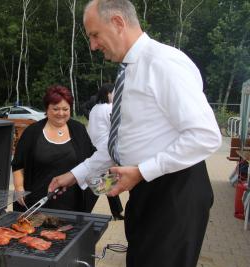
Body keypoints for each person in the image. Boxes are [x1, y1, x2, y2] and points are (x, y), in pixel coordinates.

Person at [49, 1, 222, 267]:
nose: (93, 45)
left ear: (118, 22)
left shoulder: (163, 63)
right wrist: (75, 175)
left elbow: (205, 135)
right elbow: (118, 144)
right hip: (147, 190)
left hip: (175, 194)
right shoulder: (128, 72)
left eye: (95, 35)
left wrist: (142, 171)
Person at [12, 85, 97, 213]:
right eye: (55, 109)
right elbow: (18, 164)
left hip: (74, 204)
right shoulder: (32, 132)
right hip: (38, 203)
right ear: (47, 109)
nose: (61, 113)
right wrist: (19, 188)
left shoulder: (78, 129)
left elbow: (92, 159)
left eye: (65, 109)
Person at [88, 83, 124, 220]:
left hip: (95, 147)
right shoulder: (109, 108)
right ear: (107, 93)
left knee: (107, 181)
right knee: (98, 183)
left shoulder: (94, 108)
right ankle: (84, 209)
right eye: (113, 93)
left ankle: (116, 212)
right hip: (105, 149)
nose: (115, 95)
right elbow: (117, 128)